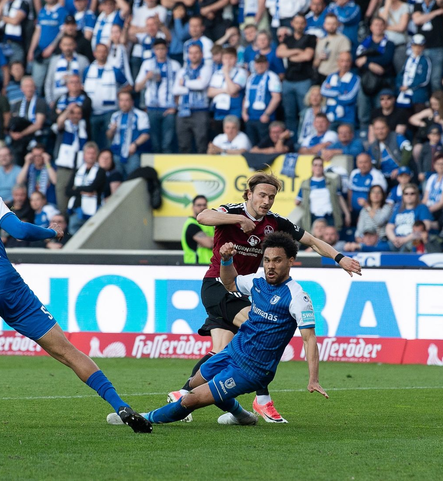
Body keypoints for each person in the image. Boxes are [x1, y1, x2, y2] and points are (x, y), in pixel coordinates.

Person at [0, 148, 151, 432]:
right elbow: (20, 231)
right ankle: (120, 405)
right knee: (65, 350)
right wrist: (52, 231)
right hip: (6, 285)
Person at [165, 172, 361, 424]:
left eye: (271, 197)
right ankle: (262, 398)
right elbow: (203, 216)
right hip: (218, 285)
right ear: (249, 194)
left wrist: (339, 258)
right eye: (262, 195)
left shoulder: (274, 222)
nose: (266, 201)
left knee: (221, 350)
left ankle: (187, 394)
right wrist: (239, 220)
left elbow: (312, 240)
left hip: (243, 291)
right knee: (259, 328)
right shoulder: (232, 211)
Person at [125, 232, 326, 428]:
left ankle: (143, 417)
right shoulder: (257, 281)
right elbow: (229, 283)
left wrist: (313, 379)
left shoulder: (298, 297)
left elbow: (309, 339)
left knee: (190, 400)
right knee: (194, 383)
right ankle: (242, 416)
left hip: (253, 370)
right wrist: (226, 260)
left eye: (277, 260)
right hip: (232, 351)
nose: (270, 266)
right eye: (266, 260)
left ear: (291, 261)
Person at [296, 156, 350, 232]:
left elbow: (339, 198)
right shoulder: (305, 184)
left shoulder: (332, 182)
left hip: (329, 217)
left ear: (323, 167)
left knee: (331, 236)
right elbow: (297, 201)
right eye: (315, 165)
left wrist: (347, 214)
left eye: (320, 165)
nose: (318, 168)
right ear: (312, 167)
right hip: (314, 217)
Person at [181, 195, 215, 265]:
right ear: (193, 207)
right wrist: (214, 240)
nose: (202, 207)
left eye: (204, 205)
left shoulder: (210, 224)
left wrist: (210, 240)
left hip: (211, 265)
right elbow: (209, 244)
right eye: (199, 205)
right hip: (195, 266)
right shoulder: (191, 225)